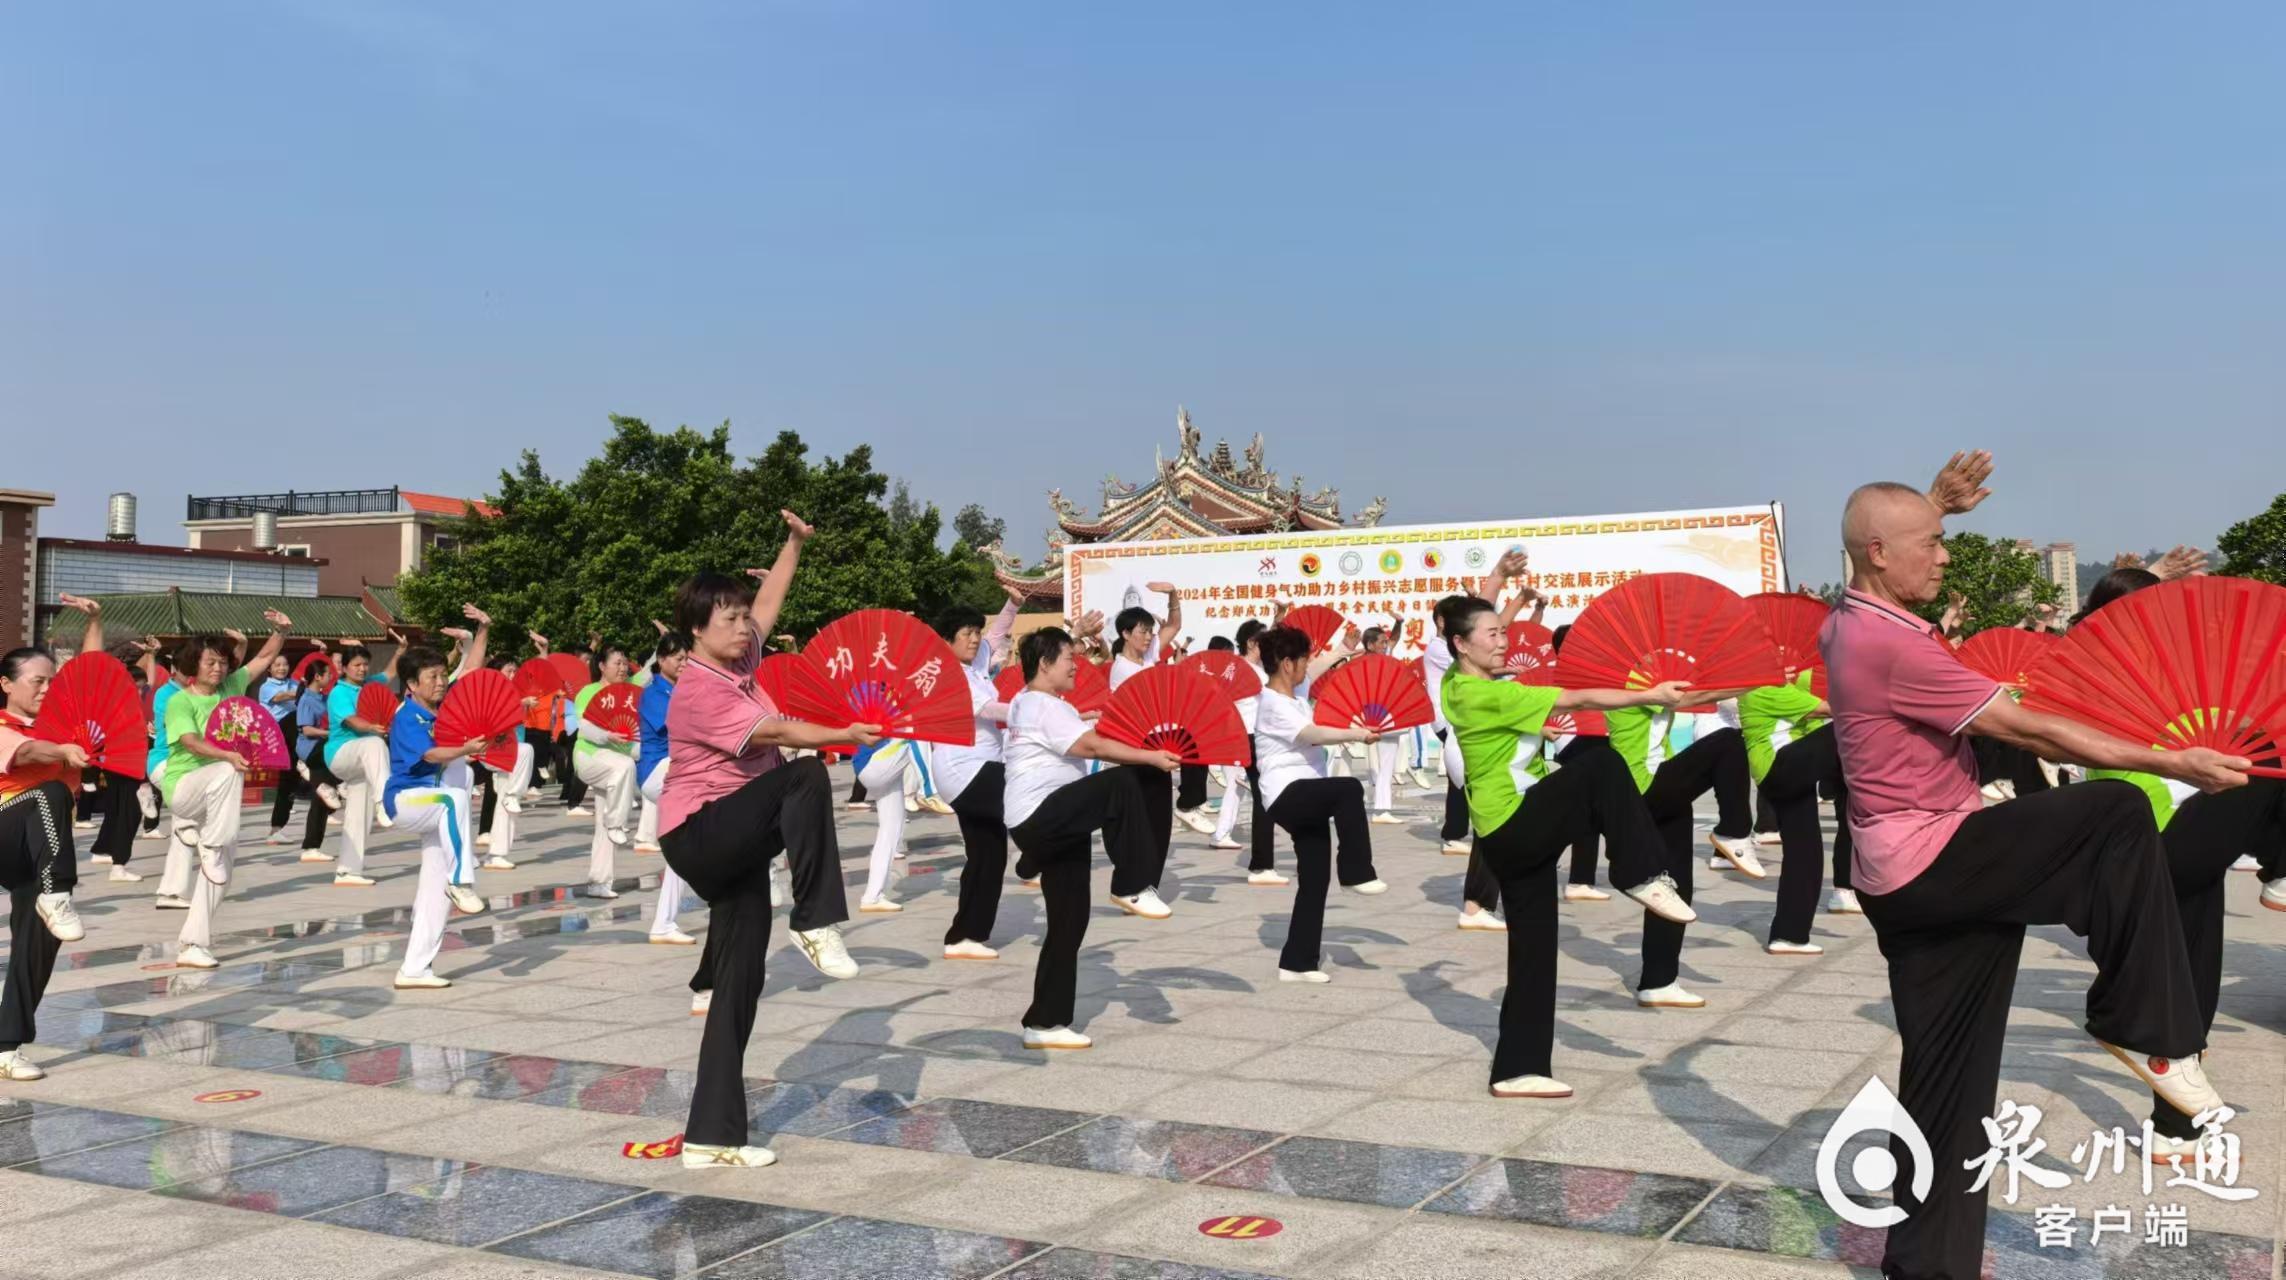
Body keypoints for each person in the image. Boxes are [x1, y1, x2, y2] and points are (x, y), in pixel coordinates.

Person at [1825, 454, 2237, 1280]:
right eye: (1932, 543)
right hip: (1934, 859)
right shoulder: (1892, 647)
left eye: (1943, 538)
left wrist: (1931, 504)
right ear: (1879, 552)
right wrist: (2169, 760)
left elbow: (1868, 543)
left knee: (1946, 1080)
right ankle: (2143, 1027)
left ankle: (1927, 1264)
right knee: (2117, 812)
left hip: (1902, 879)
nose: (1945, 555)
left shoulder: (1844, 620)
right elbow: (2032, 730)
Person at [660, 513, 874, 1170]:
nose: (742, 626)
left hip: (737, 836)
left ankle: (711, 1136)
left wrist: (795, 545)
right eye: (726, 619)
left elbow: (770, 603)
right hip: (700, 833)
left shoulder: (739, 659)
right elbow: (777, 734)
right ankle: (813, 920)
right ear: (696, 630)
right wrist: (845, 732)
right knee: (804, 772)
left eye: (740, 618)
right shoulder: (698, 689)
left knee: (740, 983)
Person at [1439, 592, 1695, 1098]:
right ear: (1461, 645)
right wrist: (1652, 695)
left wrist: (1507, 599)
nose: (1503, 640)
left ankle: (1518, 1068)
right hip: (1513, 822)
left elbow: (1472, 623)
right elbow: (1579, 699)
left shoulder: (1457, 681)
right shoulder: (1480, 694)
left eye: (1504, 631)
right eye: (1492, 635)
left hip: (1506, 832)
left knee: (1534, 951)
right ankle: (1638, 871)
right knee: (1599, 765)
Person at [2069, 565, 2286, 1161]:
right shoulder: (2106, 678)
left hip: (2181, 839)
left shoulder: (2166, 675)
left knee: (2191, 977)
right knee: (2273, 746)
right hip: (2154, 841)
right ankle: (2281, 866)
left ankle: (2173, 1127)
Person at [1003, 627, 1181, 1051]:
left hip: (1059, 819)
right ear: (1045, 664)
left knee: (1069, 922)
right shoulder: (1043, 705)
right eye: (1068, 657)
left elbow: (1081, 735)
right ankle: (1132, 883)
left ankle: (1045, 1023)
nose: (1074, 665)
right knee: (1125, 783)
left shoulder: (1034, 703)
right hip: (1042, 815)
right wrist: (1151, 757)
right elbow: (1091, 747)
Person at [1597, 669, 1765, 1008]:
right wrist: (1760, 679)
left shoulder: (1650, 677)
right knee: (1728, 742)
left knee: (1676, 886)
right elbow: (1694, 696)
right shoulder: (1630, 682)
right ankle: (1733, 831)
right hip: (1642, 787)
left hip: (1664, 784)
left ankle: (1659, 981)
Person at [1252, 625, 1388, 981]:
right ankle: (1357, 871)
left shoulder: (1295, 692)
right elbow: (1311, 734)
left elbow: (1317, 668)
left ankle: (1296, 963)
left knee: (1314, 879)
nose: (1306, 667)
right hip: (1286, 792)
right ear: (1285, 664)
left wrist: (1344, 647)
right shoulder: (1271, 704)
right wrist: (1357, 734)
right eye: (1301, 661)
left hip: (1307, 791)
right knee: (1348, 789)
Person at [156, 613, 292, 968]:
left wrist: (281, 631)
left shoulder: (231, 687)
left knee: (222, 875)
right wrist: (229, 754)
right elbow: (190, 741)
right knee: (226, 770)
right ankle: (209, 841)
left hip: (219, 797)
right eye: (210, 662)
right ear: (193, 666)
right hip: (185, 787)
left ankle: (194, 943)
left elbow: (263, 658)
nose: (218, 668)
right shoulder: (179, 701)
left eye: (222, 662)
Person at [0, 642, 95, 1081]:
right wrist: (62, 751)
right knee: (50, 793)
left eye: (51, 681)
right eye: (38, 681)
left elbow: (91, 682)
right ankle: (57, 892)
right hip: (3, 829)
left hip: (36, 849)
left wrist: (94, 624)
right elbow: (26, 754)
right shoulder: (3, 725)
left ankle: (6, 1046)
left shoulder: (61, 726)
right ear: (6, 684)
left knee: (38, 942)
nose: (46, 688)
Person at [380, 645, 491, 990]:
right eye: (433, 677)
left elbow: (470, 672)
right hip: (407, 801)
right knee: (452, 796)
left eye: (444, 674)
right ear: (412, 684)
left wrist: (481, 632)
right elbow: (430, 754)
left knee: (433, 893)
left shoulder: (444, 712)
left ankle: (415, 968)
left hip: (437, 811)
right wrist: (465, 750)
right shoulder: (408, 716)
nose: (442, 682)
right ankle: (461, 879)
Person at [931, 592, 1020, 959]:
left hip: (985, 766)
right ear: (947, 640)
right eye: (965, 633)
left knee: (988, 855)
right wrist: (1033, 709)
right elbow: (988, 709)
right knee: (1026, 800)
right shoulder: (949, 675)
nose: (973, 639)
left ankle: (964, 936)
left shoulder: (976, 666)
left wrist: (1014, 603)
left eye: (974, 632)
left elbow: (996, 636)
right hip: (965, 770)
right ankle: (1036, 856)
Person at [1744, 669, 1853, 954]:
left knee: (1806, 854)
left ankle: (1789, 935)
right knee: (1845, 728)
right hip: (1779, 767)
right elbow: (1831, 709)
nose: (1792, 668)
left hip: (1794, 774)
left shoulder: (1786, 689)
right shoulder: (1766, 687)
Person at [1101, 583, 1187, 917]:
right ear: (1125, 633)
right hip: (1135, 750)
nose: (1149, 638)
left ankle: (1147, 886)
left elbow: (1175, 626)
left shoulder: (1149, 658)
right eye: (1142, 632)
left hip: (1159, 746)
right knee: (1137, 822)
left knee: (1159, 822)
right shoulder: (1121, 669)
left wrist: (1173, 595)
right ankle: (1132, 884)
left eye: (1150, 632)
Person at [1209, 623, 1284, 887]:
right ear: (1252, 643)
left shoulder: (1255, 669)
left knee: (1258, 795)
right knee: (1263, 796)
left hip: (1255, 738)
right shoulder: (1240, 670)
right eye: (1263, 639)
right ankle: (1262, 865)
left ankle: (1260, 863)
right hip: (1248, 738)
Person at [634, 630, 695, 943]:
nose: (683, 662)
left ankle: (663, 922)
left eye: (686, 657)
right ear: (661, 660)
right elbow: (680, 727)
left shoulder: (682, 689)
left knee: (687, 846)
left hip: (681, 771)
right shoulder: (654, 693)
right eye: (677, 657)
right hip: (659, 770)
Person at [570, 647, 640, 898]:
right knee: (625, 767)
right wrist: (606, 735)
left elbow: (649, 675)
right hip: (589, 756)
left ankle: (599, 882)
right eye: (617, 663)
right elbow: (585, 728)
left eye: (625, 663)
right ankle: (618, 822)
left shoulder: (629, 693)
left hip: (613, 762)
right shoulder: (589, 692)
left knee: (603, 823)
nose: (623, 668)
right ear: (601, 666)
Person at [321, 643, 389, 888]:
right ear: (345, 668)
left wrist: (401, 650)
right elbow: (354, 722)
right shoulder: (339, 693)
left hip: (363, 763)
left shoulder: (370, 685)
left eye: (365, 664)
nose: (362, 669)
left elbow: (391, 673)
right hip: (342, 754)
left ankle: (348, 870)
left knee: (359, 815)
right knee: (375, 744)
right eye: (357, 665)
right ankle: (385, 800)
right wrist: (373, 727)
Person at [292, 659, 344, 862]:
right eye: (328, 673)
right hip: (312, 749)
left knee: (322, 801)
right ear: (318, 677)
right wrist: (328, 733)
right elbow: (306, 729)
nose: (331, 676)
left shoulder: (325, 698)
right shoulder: (306, 699)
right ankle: (311, 772)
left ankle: (311, 848)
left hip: (323, 748)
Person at [256, 652, 303, 845]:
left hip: (293, 736)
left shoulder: (294, 683)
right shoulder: (266, 687)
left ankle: (276, 829)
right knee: (294, 717)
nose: (281, 668)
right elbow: (281, 697)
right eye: (277, 665)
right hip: (275, 732)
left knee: (289, 780)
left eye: (284, 664)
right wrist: (303, 692)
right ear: (269, 668)